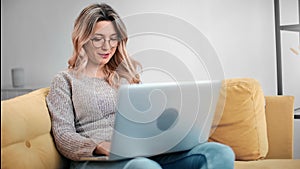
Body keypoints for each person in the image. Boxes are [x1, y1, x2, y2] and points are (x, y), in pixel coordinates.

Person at [46, 3, 235, 169]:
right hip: (95, 160)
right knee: (144, 166)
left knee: (219, 153)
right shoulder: (65, 80)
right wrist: (99, 146)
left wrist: (169, 128)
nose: (107, 46)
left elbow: (144, 120)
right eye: (98, 38)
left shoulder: (125, 77)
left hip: (142, 154)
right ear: (83, 39)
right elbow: (63, 135)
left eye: (113, 38)